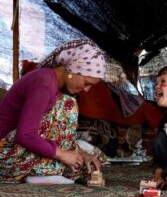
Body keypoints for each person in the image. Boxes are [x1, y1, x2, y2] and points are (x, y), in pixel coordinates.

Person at [0, 38, 106, 183]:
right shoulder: (44, 84)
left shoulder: (50, 82)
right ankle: (40, 174)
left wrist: (79, 154)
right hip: (4, 153)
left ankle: (45, 170)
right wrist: (62, 154)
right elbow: (25, 135)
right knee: (67, 105)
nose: (86, 90)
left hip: (15, 148)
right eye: (87, 83)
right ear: (73, 70)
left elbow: (54, 133)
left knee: (91, 158)